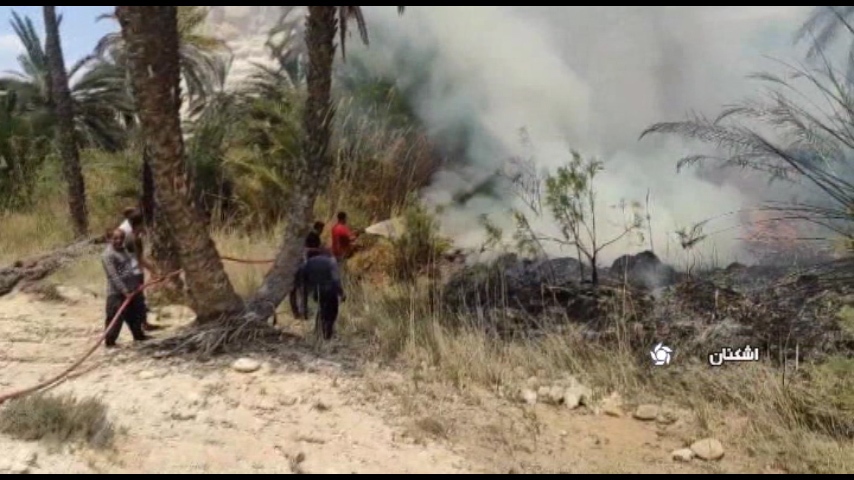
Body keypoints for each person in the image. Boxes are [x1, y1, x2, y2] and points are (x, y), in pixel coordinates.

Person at [101, 228, 150, 347]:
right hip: (117, 294)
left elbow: (131, 269)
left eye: (121, 238)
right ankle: (110, 343)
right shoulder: (107, 255)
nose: (119, 241)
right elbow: (113, 276)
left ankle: (139, 336)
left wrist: (136, 285)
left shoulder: (124, 251)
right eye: (115, 238)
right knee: (115, 319)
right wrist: (124, 291)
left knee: (136, 315)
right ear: (109, 239)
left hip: (132, 290)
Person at [122, 209, 162, 332]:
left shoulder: (127, 237)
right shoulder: (135, 239)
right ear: (140, 224)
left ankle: (141, 324)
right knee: (139, 300)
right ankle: (143, 324)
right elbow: (139, 259)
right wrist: (153, 270)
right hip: (135, 273)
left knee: (136, 300)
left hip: (127, 272)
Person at [293, 248, 346, 340]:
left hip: (317, 292)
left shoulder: (307, 264)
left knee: (322, 310)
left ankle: (319, 332)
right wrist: (341, 293)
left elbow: (303, 284)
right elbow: (335, 279)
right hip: (330, 291)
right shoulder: (330, 261)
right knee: (332, 312)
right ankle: (327, 333)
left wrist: (304, 304)